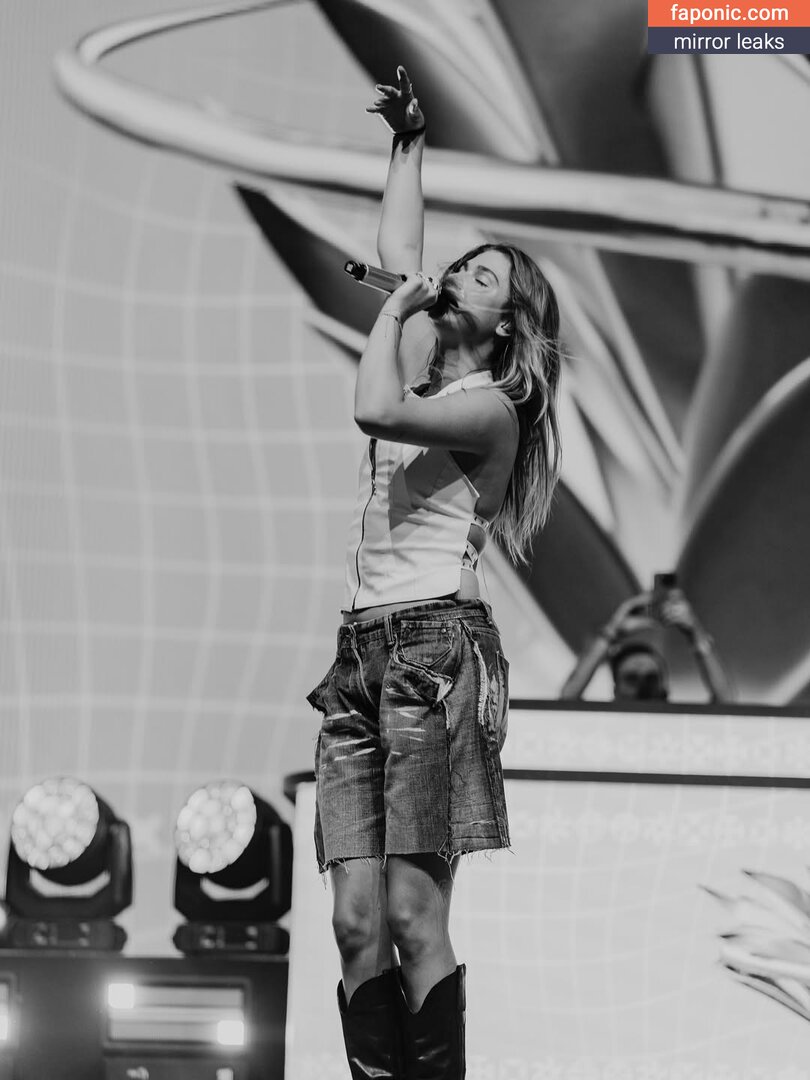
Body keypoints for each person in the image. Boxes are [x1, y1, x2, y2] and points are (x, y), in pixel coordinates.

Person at [305, 67, 562, 1079]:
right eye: (462, 268)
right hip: (361, 658)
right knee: (355, 925)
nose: (454, 279)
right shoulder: (425, 357)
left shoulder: (491, 407)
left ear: (508, 325)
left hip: (434, 653)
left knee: (414, 918)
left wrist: (394, 311)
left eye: (482, 280)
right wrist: (409, 144)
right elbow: (401, 255)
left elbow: (375, 410)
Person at [560, 581, 733, 703]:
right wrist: (610, 631)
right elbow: (567, 700)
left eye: (651, 678)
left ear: (665, 689)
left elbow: (725, 704)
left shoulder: (680, 725)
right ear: (615, 690)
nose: (642, 685)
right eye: (632, 678)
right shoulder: (603, 725)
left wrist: (695, 632)